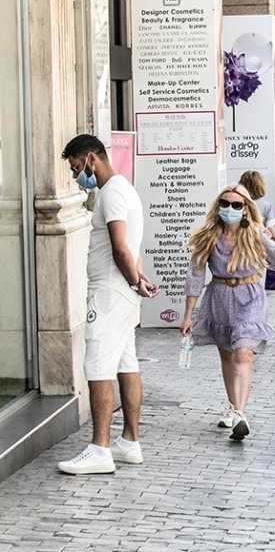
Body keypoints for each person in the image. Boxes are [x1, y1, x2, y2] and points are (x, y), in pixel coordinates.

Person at [58, 134, 160, 475]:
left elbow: (120, 247)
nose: (76, 178)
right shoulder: (125, 189)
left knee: (97, 367)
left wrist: (134, 280)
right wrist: (140, 280)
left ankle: (99, 448)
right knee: (125, 362)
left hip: (109, 293)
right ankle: (129, 442)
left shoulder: (112, 193)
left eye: (76, 168)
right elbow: (131, 247)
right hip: (123, 292)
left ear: (91, 158)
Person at [180, 185, 275, 440]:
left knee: (243, 352)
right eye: (225, 203)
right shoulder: (210, 236)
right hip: (220, 297)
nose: (230, 209)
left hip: (250, 297)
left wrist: (262, 235)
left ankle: (241, 414)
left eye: (237, 205)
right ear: (218, 205)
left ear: (246, 209)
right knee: (226, 355)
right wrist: (188, 314)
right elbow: (195, 274)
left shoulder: (254, 234)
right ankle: (233, 407)